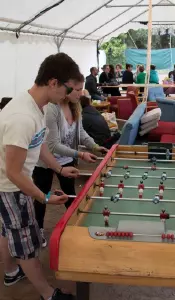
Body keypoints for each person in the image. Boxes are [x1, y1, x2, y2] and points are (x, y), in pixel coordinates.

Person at [0, 53, 81, 300]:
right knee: (25, 243)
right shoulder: (21, 117)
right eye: (68, 88)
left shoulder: (38, 106)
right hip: (11, 187)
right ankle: (49, 294)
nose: (68, 95)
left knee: (7, 230)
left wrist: (58, 169)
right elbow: (13, 173)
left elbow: (40, 143)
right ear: (53, 82)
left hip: (14, 184)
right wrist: (43, 197)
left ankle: (11, 271)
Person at [33, 75, 108, 248]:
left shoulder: (76, 106)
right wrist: (80, 154)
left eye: (81, 88)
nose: (80, 92)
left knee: (70, 195)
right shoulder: (52, 109)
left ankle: (78, 228)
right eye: (76, 89)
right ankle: (38, 232)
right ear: (65, 89)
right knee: (42, 198)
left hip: (67, 159)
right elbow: (52, 145)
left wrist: (95, 146)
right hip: (45, 161)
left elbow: (80, 132)